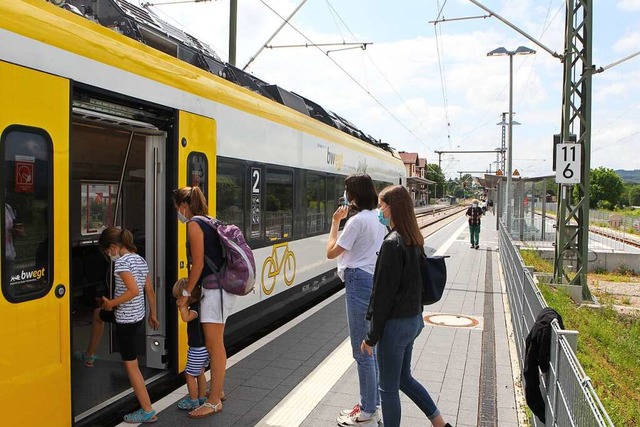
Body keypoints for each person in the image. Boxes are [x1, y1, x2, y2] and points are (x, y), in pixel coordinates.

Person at [361, 185, 452, 427]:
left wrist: (371, 336)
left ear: (392, 208)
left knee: (387, 388)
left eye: (381, 207)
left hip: (396, 326)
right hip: (414, 320)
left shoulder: (392, 243)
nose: (379, 211)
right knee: (403, 379)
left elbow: (383, 295)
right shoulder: (413, 238)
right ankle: (440, 423)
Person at [76, 227, 159, 423]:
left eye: (107, 251)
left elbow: (133, 291)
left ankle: (147, 410)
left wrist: (110, 303)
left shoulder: (121, 264)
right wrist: (153, 314)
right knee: (98, 315)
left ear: (113, 246)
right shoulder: (139, 259)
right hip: (136, 316)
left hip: (125, 321)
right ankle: (90, 356)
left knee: (132, 367)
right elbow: (149, 289)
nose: (107, 255)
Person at [327, 173, 386, 427]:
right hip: (373, 280)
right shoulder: (379, 218)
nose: (345, 196)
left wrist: (334, 222)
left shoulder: (356, 222)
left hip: (357, 282)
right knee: (370, 348)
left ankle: (366, 411)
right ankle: (372, 403)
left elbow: (331, 252)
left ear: (353, 195)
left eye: (346, 191)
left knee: (361, 350)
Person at [173, 186, 235, 419]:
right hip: (220, 289)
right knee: (216, 345)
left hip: (214, 290)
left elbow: (197, 264)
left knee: (214, 346)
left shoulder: (194, 224)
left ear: (183, 206)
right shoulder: (210, 220)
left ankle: (214, 400)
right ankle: (217, 391)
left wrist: (186, 293)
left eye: (177, 209)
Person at [172, 278, 209, 411]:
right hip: (203, 347)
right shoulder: (199, 305)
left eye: (179, 297)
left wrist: (182, 307)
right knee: (200, 373)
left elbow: (186, 317)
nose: (178, 299)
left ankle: (193, 400)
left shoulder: (194, 309)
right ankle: (201, 397)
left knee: (189, 374)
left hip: (197, 348)